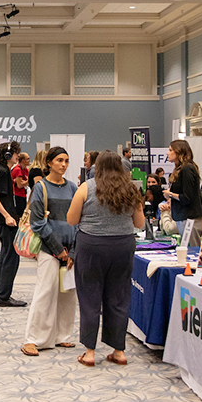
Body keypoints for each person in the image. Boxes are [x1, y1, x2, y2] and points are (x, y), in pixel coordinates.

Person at [67, 151, 144, 367]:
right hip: (122, 246)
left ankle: (90, 352)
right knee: (119, 297)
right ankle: (118, 350)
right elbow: (139, 223)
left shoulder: (87, 187)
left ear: (96, 166)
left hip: (91, 246)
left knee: (90, 297)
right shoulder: (132, 189)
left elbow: (71, 219)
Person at [21, 147, 78, 357]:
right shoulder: (41, 187)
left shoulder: (73, 188)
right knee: (45, 292)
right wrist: (57, 249)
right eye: (59, 160)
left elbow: (78, 220)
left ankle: (62, 336)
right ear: (49, 163)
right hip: (48, 249)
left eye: (66, 161)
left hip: (70, 250)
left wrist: (72, 250)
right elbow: (37, 223)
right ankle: (33, 339)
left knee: (68, 294)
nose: (63, 165)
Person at [0, 141, 25, 307]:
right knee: (11, 258)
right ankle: (3, 296)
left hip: (7, 221)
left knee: (7, 257)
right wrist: (7, 216)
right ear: (9, 155)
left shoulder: (3, 171)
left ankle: (1, 295)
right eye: (16, 153)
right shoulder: (3, 172)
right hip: (7, 222)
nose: (19, 156)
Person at [166, 139, 202, 246]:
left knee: (191, 251)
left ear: (179, 152)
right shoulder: (180, 169)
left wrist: (170, 194)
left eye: (170, 150)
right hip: (184, 217)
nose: (167, 153)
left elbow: (188, 197)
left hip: (191, 218)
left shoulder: (187, 169)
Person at [11, 152, 30, 217]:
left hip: (24, 194)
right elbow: (20, 185)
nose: (29, 160)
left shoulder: (26, 170)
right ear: (23, 160)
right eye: (27, 159)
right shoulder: (17, 169)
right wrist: (28, 181)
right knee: (19, 215)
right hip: (17, 195)